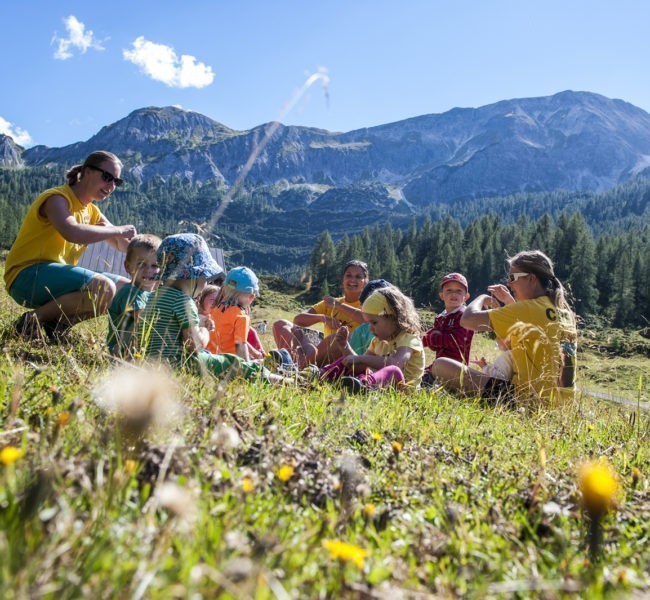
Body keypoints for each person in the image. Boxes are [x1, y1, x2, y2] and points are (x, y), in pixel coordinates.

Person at [4, 151, 136, 340]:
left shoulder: (92, 211)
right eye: (107, 177)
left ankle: (57, 326)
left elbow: (121, 244)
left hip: (54, 280)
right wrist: (118, 230)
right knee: (104, 287)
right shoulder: (57, 198)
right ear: (87, 172)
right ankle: (30, 322)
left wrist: (153, 255)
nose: (112, 186)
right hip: (25, 276)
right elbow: (72, 232)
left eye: (117, 181)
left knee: (127, 290)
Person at [432, 250, 577, 404]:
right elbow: (508, 345)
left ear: (531, 278)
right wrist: (509, 303)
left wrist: (482, 299)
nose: (509, 283)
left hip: (525, 400)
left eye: (513, 277)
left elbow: (467, 319)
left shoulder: (529, 309)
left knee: (441, 365)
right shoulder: (564, 313)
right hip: (560, 405)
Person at [138, 234, 284, 384]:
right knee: (231, 363)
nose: (205, 282)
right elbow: (195, 345)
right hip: (177, 364)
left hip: (150, 364)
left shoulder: (153, 297)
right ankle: (285, 381)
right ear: (193, 277)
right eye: (204, 277)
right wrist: (205, 330)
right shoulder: (183, 300)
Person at [320, 286, 425, 392]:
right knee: (347, 360)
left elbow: (396, 363)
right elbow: (359, 367)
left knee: (394, 370)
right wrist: (345, 346)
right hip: (380, 388)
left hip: (403, 391)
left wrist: (360, 358)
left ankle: (363, 385)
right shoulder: (377, 341)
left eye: (374, 323)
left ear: (393, 317)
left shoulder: (409, 338)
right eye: (368, 323)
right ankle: (321, 374)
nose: (370, 328)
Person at [272, 260, 369, 368]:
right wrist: (323, 318)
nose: (352, 280)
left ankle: (298, 366)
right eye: (348, 275)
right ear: (343, 279)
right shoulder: (330, 303)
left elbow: (368, 320)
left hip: (347, 354)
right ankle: (297, 363)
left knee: (339, 338)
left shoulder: (367, 306)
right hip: (321, 351)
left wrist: (338, 306)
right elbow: (298, 319)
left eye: (358, 277)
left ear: (365, 282)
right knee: (281, 324)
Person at [107, 234, 161, 357]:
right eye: (141, 264)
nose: (148, 270)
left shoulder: (149, 294)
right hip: (122, 351)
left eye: (155, 265)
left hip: (137, 350)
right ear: (128, 266)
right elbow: (141, 321)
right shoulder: (131, 292)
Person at [422, 273, 474, 386]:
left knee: (423, 382)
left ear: (466, 296)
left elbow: (457, 340)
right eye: (449, 290)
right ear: (442, 295)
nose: (454, 294)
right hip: (440, 366)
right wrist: (420, 342)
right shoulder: (441, 317)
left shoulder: (464, 316)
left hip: (455, 369)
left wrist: (432, 339)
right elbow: (433, 341)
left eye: (459, 291)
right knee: (416, 375)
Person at [207, 266, 265, 361]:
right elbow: (240, 346)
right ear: (252, 297)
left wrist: (254, 352)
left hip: (209, 359)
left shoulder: (215, 309)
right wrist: (247, 366)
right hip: (227, 363)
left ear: (224, 289)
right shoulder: (241, 317)